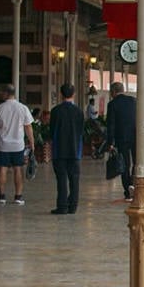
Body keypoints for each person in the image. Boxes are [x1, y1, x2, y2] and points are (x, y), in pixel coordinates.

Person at [0, 84, 34, 206]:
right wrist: (32, 142)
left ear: (6, 93)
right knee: (18, 169)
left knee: (2, 169)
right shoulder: (23, 108)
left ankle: (2, 196)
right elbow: (28, 127)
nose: (0, 94)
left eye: (1, 92)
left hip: (3, 144)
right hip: (18, 145)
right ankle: (18, 197)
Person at [48, 83, 86, 214]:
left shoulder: (55, 111)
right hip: (75, 150)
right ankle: (73, 206)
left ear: (61, 94)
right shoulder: (79, 111)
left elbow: (52, 130)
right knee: (74, 179)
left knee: (61, 179)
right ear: (74, 94)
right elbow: (81, 131)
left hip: (59, 150)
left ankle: (62, 206)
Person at [103, 82, 137, 200]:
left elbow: (111, 125)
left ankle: (128, 190)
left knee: (124, 164)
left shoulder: (112, 104)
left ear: (113, 92)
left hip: (121, 138)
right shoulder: (133, 101)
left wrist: (110, 143)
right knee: (136, 162)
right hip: (135, 136)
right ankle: (133, 183)